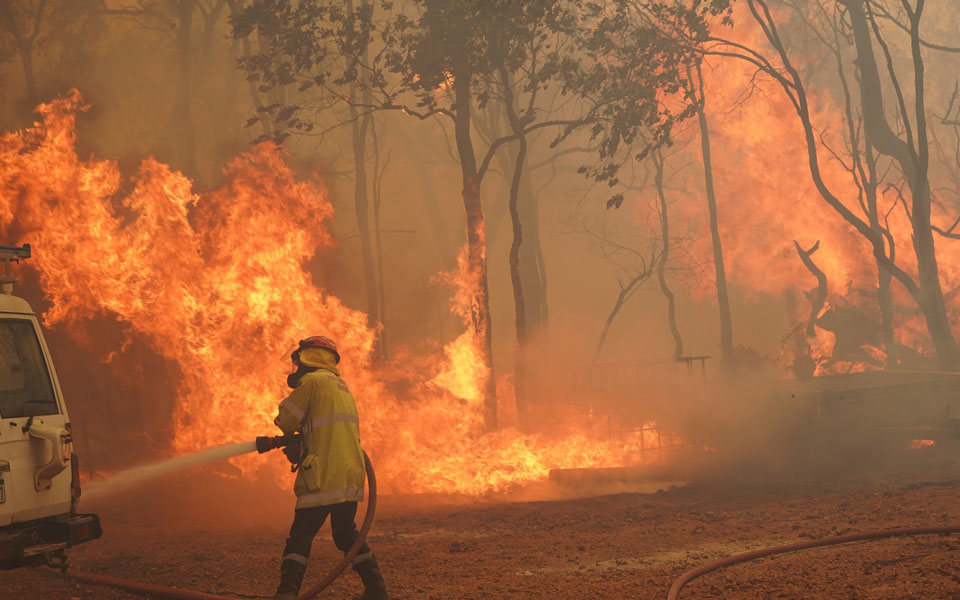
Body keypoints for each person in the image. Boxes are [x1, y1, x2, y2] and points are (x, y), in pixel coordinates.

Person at [272, 335, 388, 600]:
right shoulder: (341, 386)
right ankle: (377, 590)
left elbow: (286, 419)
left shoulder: (311, 383)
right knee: (346, 534)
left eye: (298, 360)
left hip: (322, 477)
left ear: (307, 357)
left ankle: (287, 594)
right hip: (349, 475)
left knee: (300, 536)